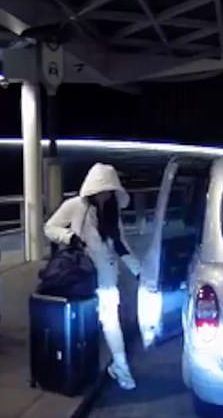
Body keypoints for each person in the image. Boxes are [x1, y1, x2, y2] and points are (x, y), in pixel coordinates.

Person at [44, 163, 148, 391]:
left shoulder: (112, 212)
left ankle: (121, 367)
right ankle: (78, 371)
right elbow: (50, 227)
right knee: (83, 326)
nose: (104, 195)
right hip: (80, 276)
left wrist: (139, 270)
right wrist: (69, 236)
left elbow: (120, 244)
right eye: (101, 190)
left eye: (109, 191)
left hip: (106, 278)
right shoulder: (74, 206)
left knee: (110, 323)